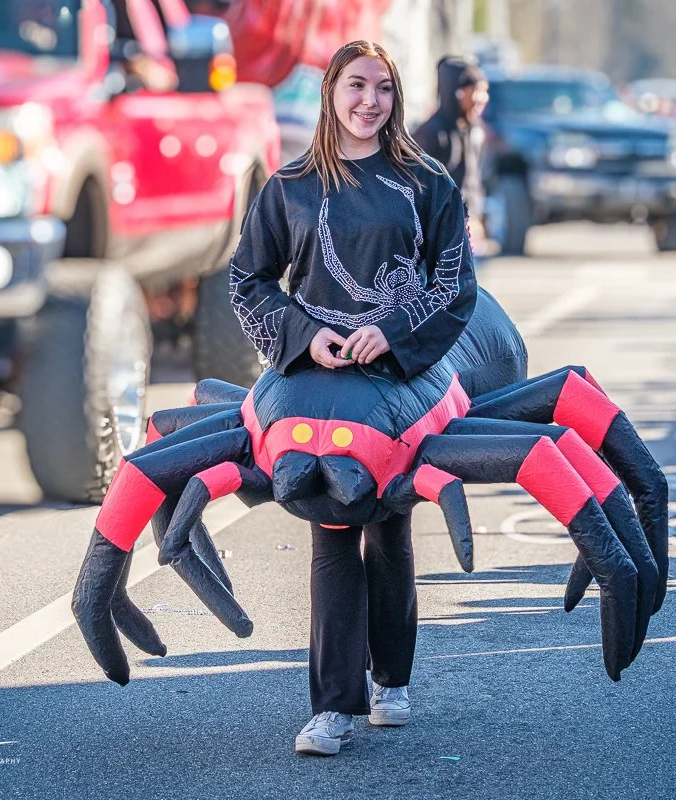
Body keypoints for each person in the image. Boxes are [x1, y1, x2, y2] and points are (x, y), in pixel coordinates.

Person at [229, 40, 477, 756]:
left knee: (389, 519)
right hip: (314, 381)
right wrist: (305, 336)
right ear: (331, 92)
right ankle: (333, 706)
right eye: (357, 86)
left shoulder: (427, 182)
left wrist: (391, 333)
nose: (371, 101)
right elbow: (247, 283)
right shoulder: (290, 186)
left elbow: (454, 287)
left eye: (384, 89)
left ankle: (392, 680)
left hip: (398, 377)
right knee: (332, 521)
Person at [411, 56, 490, 250]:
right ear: (458, 93)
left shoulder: (473, 131)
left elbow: (472, 182)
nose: (483, 98)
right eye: (477, 91)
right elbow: (418, 190)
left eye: (485, 91)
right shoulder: (431, 133)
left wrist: (475, 218)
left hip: (463, 234)